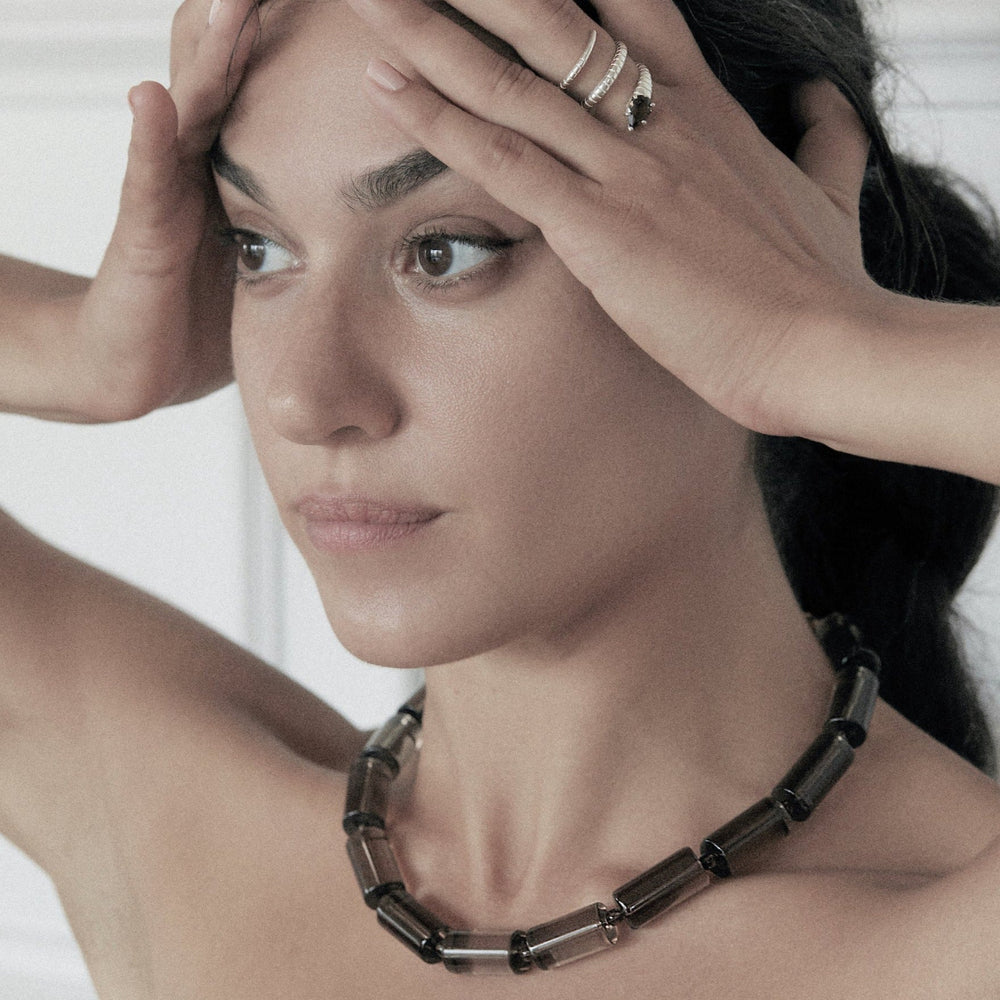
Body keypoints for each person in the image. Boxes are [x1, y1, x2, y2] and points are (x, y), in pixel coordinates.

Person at [2, 0, 1000, 995]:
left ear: (740, 259)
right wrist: (77, 346)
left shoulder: (944, 940)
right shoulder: (183, 834)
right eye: (258, 247)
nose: (303, 398)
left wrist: (823, 339)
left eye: (445, 250)